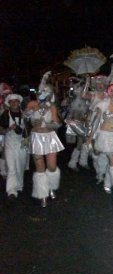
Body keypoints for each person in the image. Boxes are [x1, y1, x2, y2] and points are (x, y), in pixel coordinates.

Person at [24, 72, 64, 207]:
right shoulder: (32, 103)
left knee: (52, 167)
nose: (43, 93)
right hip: (36, 138)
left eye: (46, 91)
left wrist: (47, 124)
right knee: (40, 168)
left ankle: (51, 186)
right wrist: (35, 110)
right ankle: (42, 194)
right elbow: (24, 116)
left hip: (49, 138)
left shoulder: (51, 106)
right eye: (42, 90)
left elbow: (57, 124)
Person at [87, 76, 113, 197]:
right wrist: (90, 137)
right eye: (112, 91)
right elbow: (96, 121)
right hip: (105, 136)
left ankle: (107, 184)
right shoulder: (103, 103)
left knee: (112, 161)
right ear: (109, 91)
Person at [0, 94, 28, 200]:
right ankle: (11, 191)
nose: (14, 103)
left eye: (16, 101)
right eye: (11, 101)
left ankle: (19, 186)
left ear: (19, 102)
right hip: (9, 143)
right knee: (11, 167)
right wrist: (8, 129)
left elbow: (28, 128)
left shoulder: (24, 114)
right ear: (9, 103)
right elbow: (1, 130)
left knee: (20, 166)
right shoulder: (5, 114)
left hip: (21, 143)